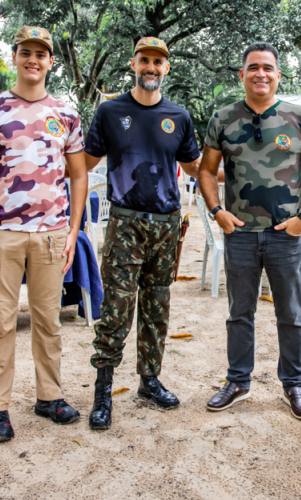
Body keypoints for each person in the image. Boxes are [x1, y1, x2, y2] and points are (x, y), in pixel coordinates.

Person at [0, 26, 88, 443]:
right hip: (1, 234)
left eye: (41, 54)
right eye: (26, 52)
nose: (33, 60)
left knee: (48, 321)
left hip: (51, 236)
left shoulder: (66, 114)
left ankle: (48, 396)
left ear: (51, 61)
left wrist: (72, 232)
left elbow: (79, 175)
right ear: (15, 57)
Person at [199, 42, 301, 419]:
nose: (261, 74)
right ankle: (238, 381)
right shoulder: (223, 119)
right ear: (242, 74)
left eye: (268, 68)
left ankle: (294, 385)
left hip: (284, 235)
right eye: (253, 67)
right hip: (239, 233)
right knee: (239, 312)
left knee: (290, 313)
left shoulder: (299, 117)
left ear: (277, 75)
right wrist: (216, 211)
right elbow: (206, 171)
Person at [83, 37, 207, 430]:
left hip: (166, 225)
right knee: (116, 309)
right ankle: (103, 390)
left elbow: (193, 168)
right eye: (144, 60)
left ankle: (149, 380)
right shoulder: (110, 111)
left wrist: (238, 174)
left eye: (158, 61)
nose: (151, 67)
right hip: (125, 223)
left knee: (156, 307)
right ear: (133, 64)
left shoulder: (179, 116)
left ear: (166, 68)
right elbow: (84, 162)